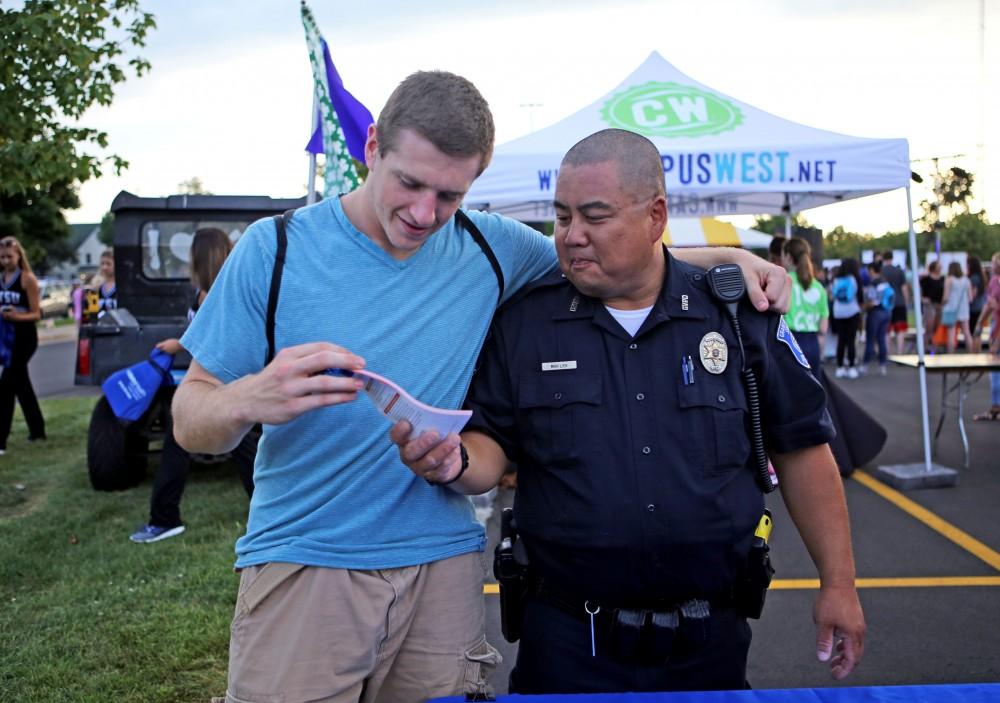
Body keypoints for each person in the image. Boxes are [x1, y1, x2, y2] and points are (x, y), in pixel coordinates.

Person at [171, 71, 792, 703]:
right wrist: (250, 398)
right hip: (308, 561)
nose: (423, 214)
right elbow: (190, 418)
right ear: (372, 146)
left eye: (449, 195)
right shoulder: (273, 251)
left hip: (443, 569)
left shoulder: (489, 247)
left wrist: (733, 260)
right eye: (409, 183)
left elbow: (621, 255)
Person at [392, 129, 864, 694]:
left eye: (594, 216)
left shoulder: (737, 316)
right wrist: (454, 462)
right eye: (563, 217)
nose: (571, 237)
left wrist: (839, 583)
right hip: (567, 638)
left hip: (709, 638)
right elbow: (492, 445)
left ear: (655, 215)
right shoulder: (524, 323)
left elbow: (802, 449)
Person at [129, 228, 256, 544]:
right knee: (235, 447)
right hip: (214, 383)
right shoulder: (208, 290)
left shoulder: (219, 291)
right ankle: (164, 517)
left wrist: (178, 343)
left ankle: (164, 518)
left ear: (200, 256)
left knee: (227, 445)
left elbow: (218, 337)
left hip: (219, 382)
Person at [0, 236, 46, 454]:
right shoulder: (1, 279)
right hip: (6, 339)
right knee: (22, 386)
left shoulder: (27, 279)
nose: (6, 260)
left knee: (6, 385)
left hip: (24, 338)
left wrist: (16, 316)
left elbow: (37, 313)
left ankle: (2, 439)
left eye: (10, 256)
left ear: (18, 256)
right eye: (2, 257)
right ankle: (37, 430)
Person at [782, 237, 828, 378]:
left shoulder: (784, 280)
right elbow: (823, 328)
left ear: (788, 257)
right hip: (812, 343)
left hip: (788, 343)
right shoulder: (818, 287)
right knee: (813, 392)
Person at [972, 251, 1000, 421]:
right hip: (995, 327)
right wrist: (979, 324)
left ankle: (995, 407)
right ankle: (995, 407)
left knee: (996, 369)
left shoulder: (995, 283)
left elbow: (992, 306)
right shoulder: (993, 283)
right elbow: (989, 306)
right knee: (995, 369)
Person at [831, 258, 863, 378]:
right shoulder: (854, 279)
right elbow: (859, 297)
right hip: (852, 312)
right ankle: (851, 367)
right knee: (851, 341)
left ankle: (839, 367)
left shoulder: (836, 280)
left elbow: (833, 295)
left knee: (841, 340)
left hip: (838, 313)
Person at [861, 259, 893, 375]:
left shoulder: (873, 284)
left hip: (874, 313)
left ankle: (865, 365)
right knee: (881, 339)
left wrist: (864, 307)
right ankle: (882, 366)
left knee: (870, 340)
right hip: (886, 313)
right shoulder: (885, 282)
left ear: (871, 270)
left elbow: (871, 301)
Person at [880, 250, 910, 354]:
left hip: (885, 304)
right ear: (892, 258)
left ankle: (886, 353)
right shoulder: (899, 271)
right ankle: (900, 352)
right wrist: (906, 301)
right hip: (899, 302)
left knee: (886, 330)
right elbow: (904, 288)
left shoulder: (881, 271)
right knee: (900, 329)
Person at [941, 260, 972, 354]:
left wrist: (942, 304)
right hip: (964, 309)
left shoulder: (949, 279)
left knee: (951, 334)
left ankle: (950, 356)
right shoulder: (966, 280)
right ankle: (972, 354)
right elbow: (970, 298)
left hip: (951, 309)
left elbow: (946, 296)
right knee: (967, 333)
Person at [920, 260, 944, 352]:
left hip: (939, 304)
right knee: (929, 327)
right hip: (929, 304)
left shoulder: (942, 279)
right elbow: (920, 291)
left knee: (936, 327)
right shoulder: (926, 279)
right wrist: (923, 299)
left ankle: (934, 346)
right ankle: (924, 347)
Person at [967, 255, 986, 339]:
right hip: (981, 306)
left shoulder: (974, 278)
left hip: (974, 308)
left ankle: (974, 351)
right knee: (978, 333)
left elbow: (973, 294)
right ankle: (977, 351)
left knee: (974, 333)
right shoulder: (981, 277)